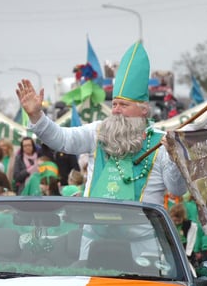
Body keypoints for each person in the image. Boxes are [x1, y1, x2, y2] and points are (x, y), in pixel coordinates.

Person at [16, 41, 186, 205]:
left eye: (124, 105)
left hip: (143, 234)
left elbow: (177, 190)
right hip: (95, 233)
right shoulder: (97, 132)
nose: (116, 110)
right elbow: (62, 139)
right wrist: (37, 116)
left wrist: (174, 158)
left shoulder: (164, 143)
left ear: (144, 110)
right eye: (114, 104)